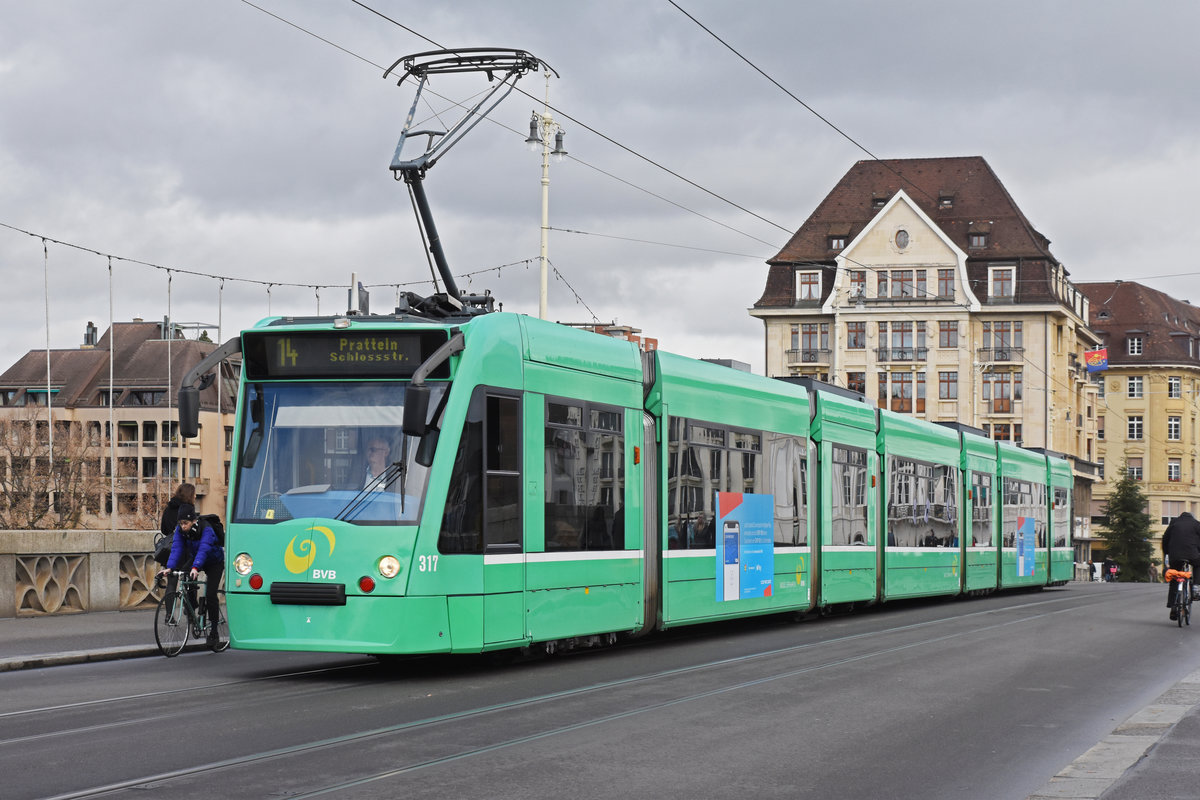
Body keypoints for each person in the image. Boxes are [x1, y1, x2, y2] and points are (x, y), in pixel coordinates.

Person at [157, 506, 225, 645]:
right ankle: (193, 612)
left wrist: (196, 567)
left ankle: (213, 631)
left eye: (185, 523)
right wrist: (169, 568)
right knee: (186, 580)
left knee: (211, 595)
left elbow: (204, 548)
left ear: (193, 521)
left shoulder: (206, 528)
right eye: (180, 523)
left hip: (213, 561)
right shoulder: (180, 531)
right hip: (196, 559)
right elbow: (176, 549)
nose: (183, 527)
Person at [1162, 510, 1200, 620]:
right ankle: (1196, 587)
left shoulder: (1174, 523)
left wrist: (1167, 553)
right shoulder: (1196, 524)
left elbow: (1165, 538)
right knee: (1198, 565)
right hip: (1192, 554)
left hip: (1175, 555)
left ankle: (1173, 606)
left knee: (1175, 577)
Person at [157, 483, 196, 565]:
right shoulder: (188, 509)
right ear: (189, 495)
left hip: (169, 552)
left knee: (172, 575)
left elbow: (163, 529)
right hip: (185, 553)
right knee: (187, 576)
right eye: (194, 494)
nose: (195, 496)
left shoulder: (168, 508)